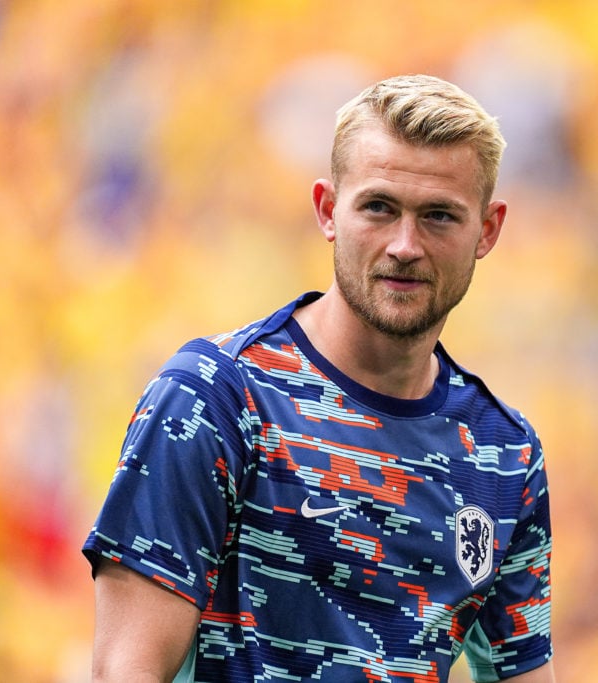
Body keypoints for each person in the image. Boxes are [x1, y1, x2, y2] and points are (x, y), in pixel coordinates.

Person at [83, 74, 555, 683]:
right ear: (329, 210)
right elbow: (126, 672)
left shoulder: (505, 455)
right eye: (379, 208)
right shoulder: (214, 401)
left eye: (439, 216)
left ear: (487, 230)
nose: (404, 245)